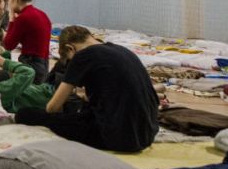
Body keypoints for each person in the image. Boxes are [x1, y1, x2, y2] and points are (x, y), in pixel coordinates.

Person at [15, 26, 159, 153]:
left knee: (26, 114)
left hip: (118, 138)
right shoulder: (122, 50)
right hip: (148, 133)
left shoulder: (82, 56)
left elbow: (52, 108)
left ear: (70, 48)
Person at [2, 0, 52, 84]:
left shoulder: (23, 18)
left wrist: (11, 19)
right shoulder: (43, 14)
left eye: (9, 1)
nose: (9, 5)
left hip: (31, 65)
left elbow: (8, 44)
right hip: (44, 65)